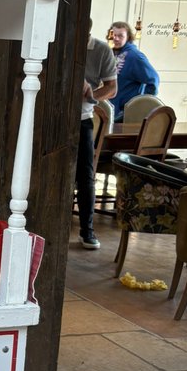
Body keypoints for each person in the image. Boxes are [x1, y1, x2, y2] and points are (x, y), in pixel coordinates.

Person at [76, 22, 117, 250]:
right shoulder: (55, 42)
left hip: (82, 118)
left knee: (86, 176)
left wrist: (91, 95)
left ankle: (87, 230)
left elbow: (112, 88)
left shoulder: (101, 50)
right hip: (50, 117)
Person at [109, 21, 159, 121]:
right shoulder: (113, 53)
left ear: (128, 37)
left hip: (124, 113)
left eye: (120, 36)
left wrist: (140, 104)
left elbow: (153, 79)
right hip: (112, 110)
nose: (116, 38)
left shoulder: (135, 56)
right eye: (114, 35)